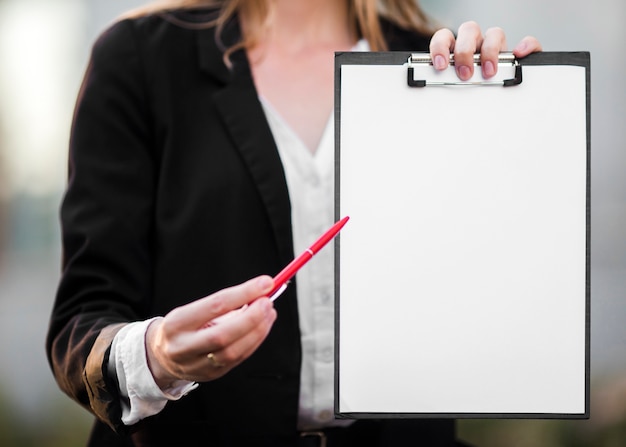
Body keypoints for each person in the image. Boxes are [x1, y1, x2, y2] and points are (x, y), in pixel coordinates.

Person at [46, 0, 542, 446]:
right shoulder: (141, 59)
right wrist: (157, 357)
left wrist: (523, 119)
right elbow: (84, 316)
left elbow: (488, 279)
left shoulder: (439, 64)